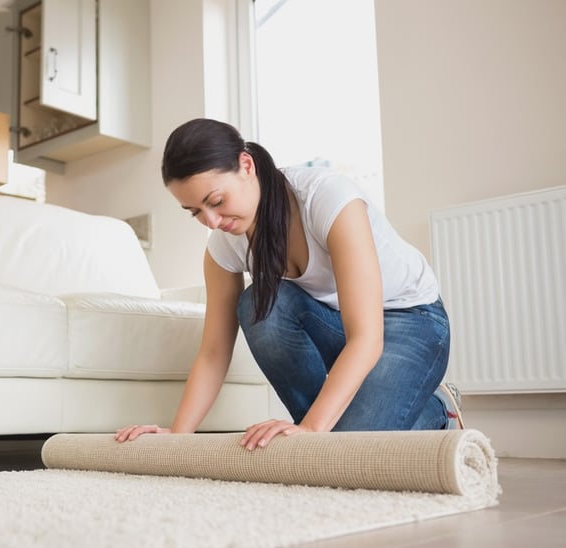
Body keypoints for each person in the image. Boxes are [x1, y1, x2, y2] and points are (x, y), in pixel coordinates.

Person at [115, 118, 464, 451]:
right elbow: (213, 353)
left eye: (216, 202)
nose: (212, 221)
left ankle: (438, 413)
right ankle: (332, 429)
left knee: (344, 449)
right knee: (258, 306)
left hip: (411, 323)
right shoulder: (225, 247)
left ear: (246, 165)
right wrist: (177, 435)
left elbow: (367, 338)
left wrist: (312, 428)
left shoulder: (328, 197)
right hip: (337, 324)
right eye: (195, 212)